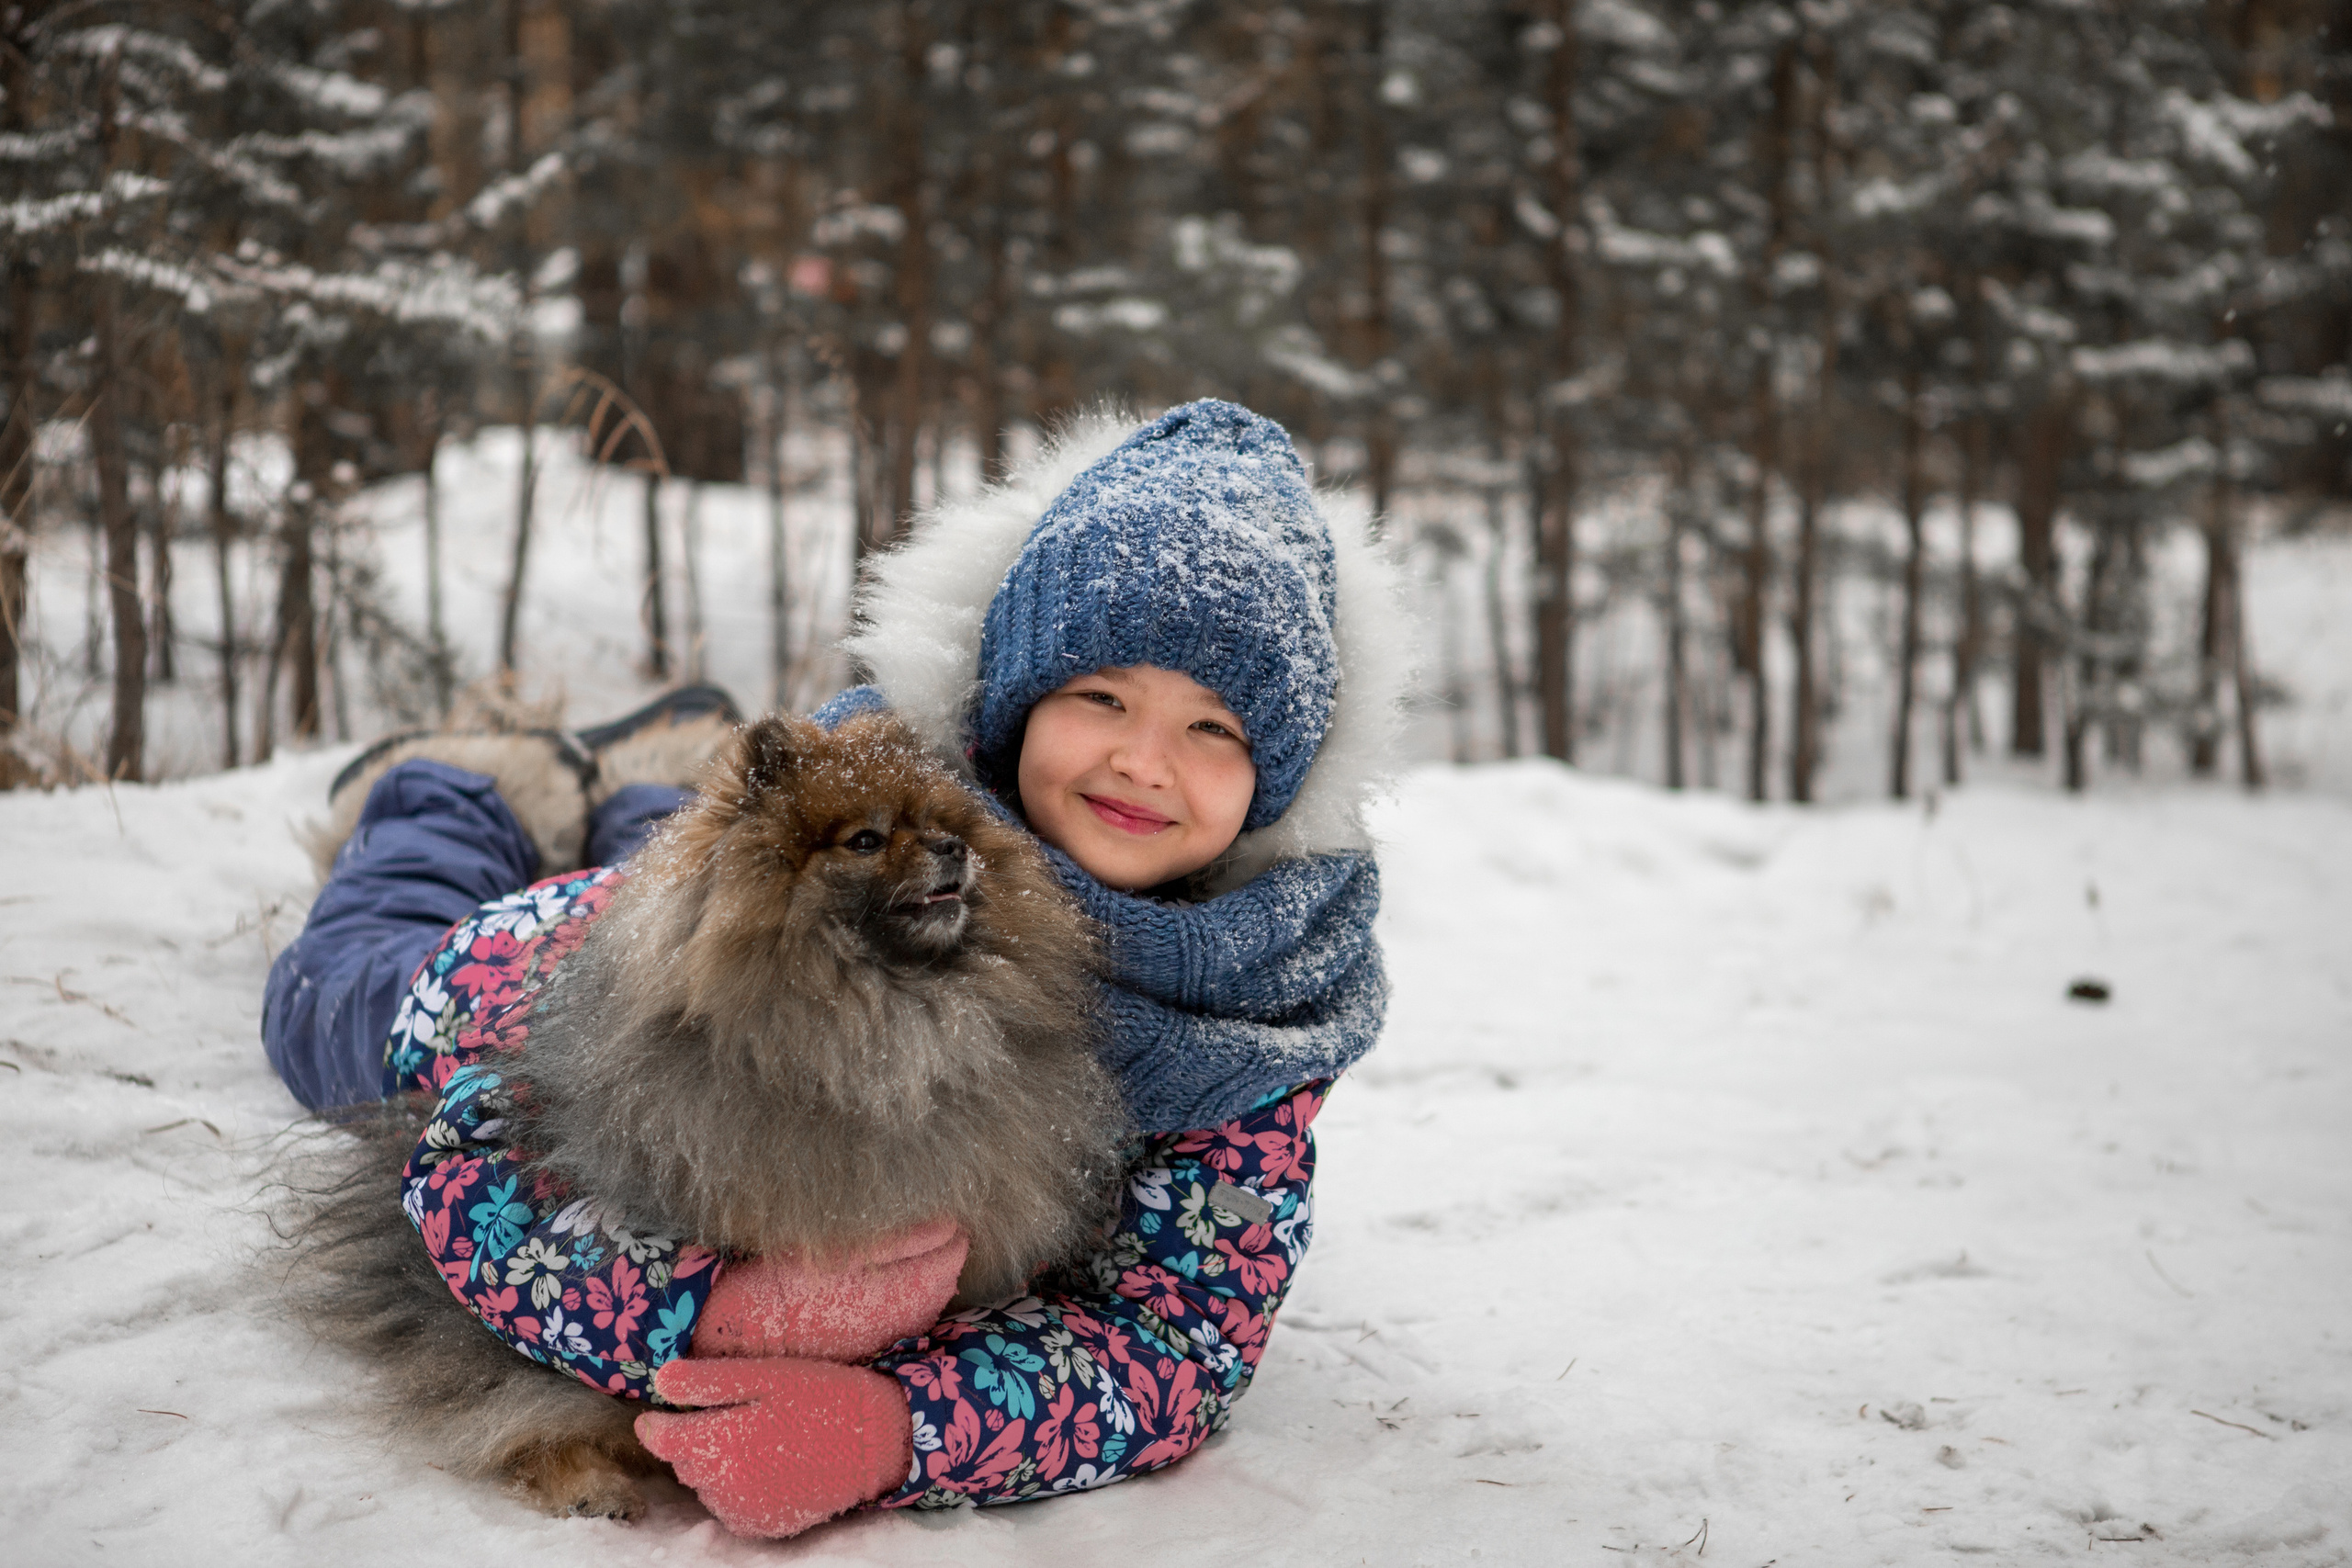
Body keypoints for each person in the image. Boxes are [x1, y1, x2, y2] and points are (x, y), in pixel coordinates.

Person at [262, 398, 1409, 1536]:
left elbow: (1174, 1343)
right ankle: (448, 790)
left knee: (680, 833)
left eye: (1216, 729)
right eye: (1101, 696)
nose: (1143, 759)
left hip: (713, 894)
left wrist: (896, 1425)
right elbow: (463, 1186)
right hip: (504, 989)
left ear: (1286, 773)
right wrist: (698, 1310)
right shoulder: (907, 798)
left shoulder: (1257, 1010)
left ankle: (647, 785)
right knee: (342, 986)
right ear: (1015, 702)